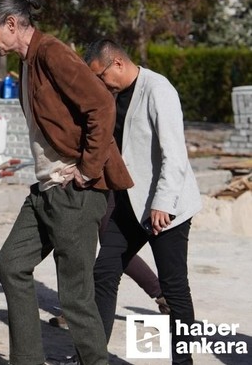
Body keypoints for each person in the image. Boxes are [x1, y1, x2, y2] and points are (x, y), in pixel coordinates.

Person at [0, 0, 133, 365]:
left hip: (74, 192)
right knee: (11, 264)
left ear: (12, 24)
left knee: (74, 297)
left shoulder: (51, 52)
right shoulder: (29, 62)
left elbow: (101, 104)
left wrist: (87, 169)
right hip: (47, 189)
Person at [84, 39, 200, 364]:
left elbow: (174, 153)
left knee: (174, 287)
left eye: (101, 76)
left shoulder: (157, 89)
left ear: (117, 63)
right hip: (131, 205)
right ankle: (93, 359)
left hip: (166, 207)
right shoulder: (116, 94)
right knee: (104, 271)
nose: (100, 83)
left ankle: (183, 361)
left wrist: (163, 202)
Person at [49, 192, 170, 330]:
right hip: (75, 187)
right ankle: (76, 310)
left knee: (113, 250)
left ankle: (164, 297)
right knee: (78, 246)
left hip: (105, 183)